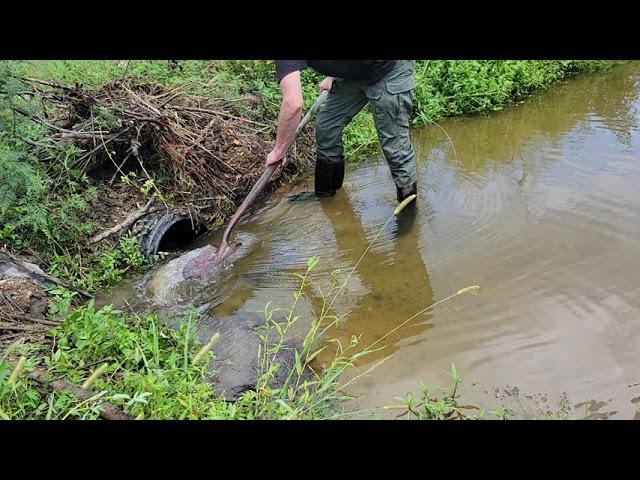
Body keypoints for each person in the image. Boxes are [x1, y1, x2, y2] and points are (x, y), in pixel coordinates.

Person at [266, 60, 418, 204]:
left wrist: (279, 150)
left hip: (388, 69)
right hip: (356, 73)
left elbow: (293, 103)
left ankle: (408, 211)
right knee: (326, 127)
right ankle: (326, 193)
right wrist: (332, 75)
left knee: (394, 145)